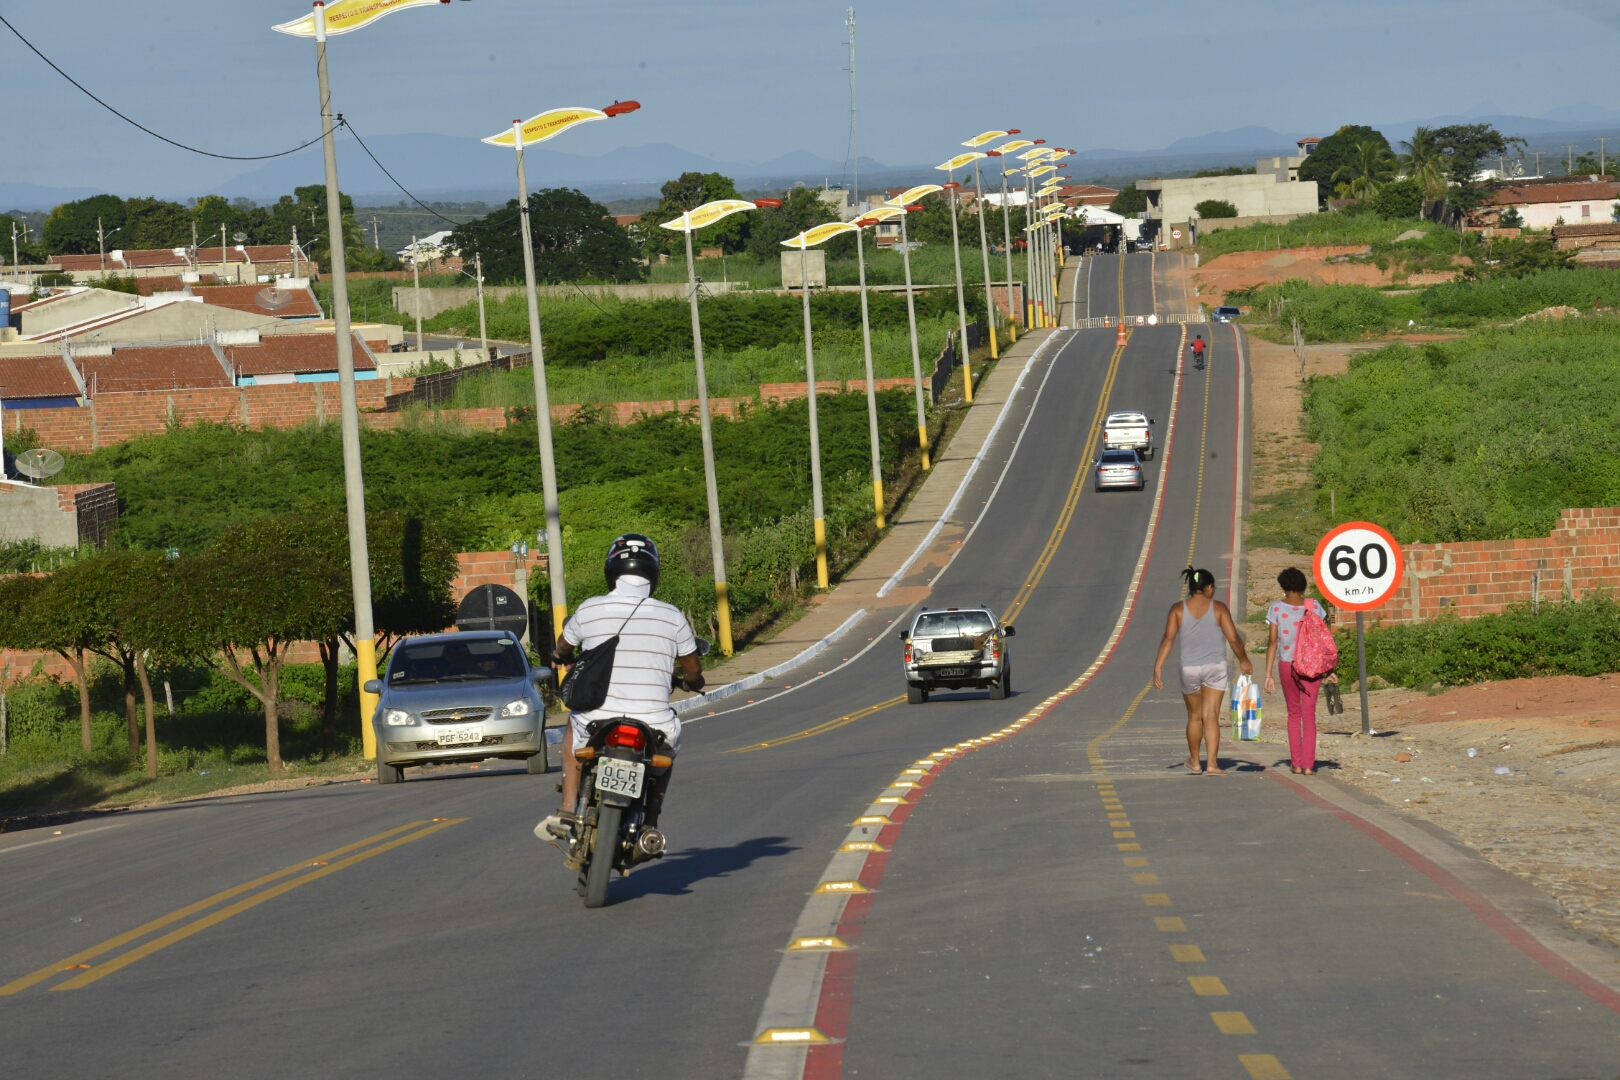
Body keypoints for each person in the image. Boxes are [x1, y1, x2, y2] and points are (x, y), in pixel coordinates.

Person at [537, 534, 704, 842]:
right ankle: (651, 824)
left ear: (611, 571)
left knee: (573, 728)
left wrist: (561, 656)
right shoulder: (673, 616)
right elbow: (693, 669)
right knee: (666, 758)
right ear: (653, 573)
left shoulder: (589, 609)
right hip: (654, 724)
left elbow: (563, 646)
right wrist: (693, 681)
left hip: (595, 720)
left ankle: (567, 810)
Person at [1153, 566, 1253, 774]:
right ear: (1208, 588)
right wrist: (1243, 659)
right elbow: (1233, 638)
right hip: (1215, 667)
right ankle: (1213, 764)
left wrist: (1158, 667)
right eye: (1213, 587)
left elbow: (1168, 638)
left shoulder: (1177, 609)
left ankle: (1196, 762)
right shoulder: (1219, 608)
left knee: (1194, 716)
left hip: (1189, 668)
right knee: (1211, 715)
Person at [1263, 567, 1328, 775]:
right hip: (1312, 667)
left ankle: (1296, 763)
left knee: (1294, 713)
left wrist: (1268, 674)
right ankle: (1309, 765)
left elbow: (1273, 642)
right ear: (1303, 587)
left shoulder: (1276, 609)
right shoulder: (1315, 606)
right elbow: (1323, 641)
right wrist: (1329, 669)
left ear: (1283, 587)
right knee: (1309, 715)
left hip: (1287, 665)